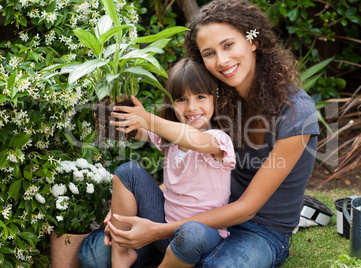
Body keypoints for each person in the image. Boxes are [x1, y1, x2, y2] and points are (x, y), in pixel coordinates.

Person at [79, 0, 320, 267]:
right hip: (199, 213)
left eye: (228, 45)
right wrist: (126, 202)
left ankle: (175, 253)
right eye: (209, 53)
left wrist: (157, 230)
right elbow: (190, 165)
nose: (222, 60)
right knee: (94, 255)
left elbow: (247, 208)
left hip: (259, 229)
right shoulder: (213, 97)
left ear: (253, 41)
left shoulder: (297, 112)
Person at [83, 58, 235, 268]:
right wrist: (112, 113)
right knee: (127, 172)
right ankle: (121, 256)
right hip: (162, 229)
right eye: (182, 99)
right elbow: (136, 131)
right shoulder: (169, 138)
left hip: (202, 238)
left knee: (192, 233)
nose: (191, 107)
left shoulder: (218, 140)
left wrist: (148, 119)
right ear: (172, 103)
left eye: (200, 97)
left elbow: (195, 139)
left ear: (214, 99)